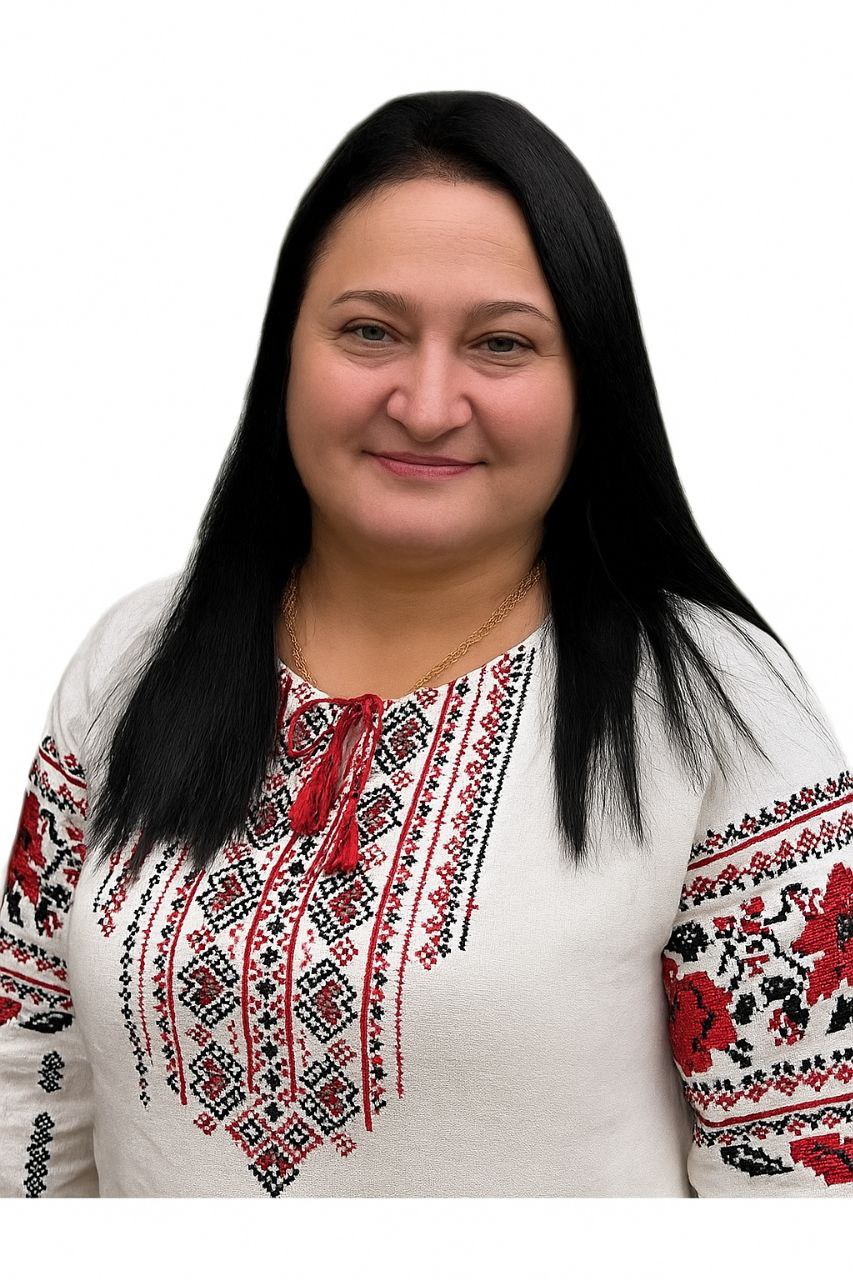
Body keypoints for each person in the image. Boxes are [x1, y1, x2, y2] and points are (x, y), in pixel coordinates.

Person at [1, 89, 850, 1200]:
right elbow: (31, 1077)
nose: (427, 401)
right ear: (285, 350)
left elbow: (807, 1179)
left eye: (501, 344)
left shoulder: (714, 700)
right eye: (370, 331)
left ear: (590, 381)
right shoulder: (133, 659)